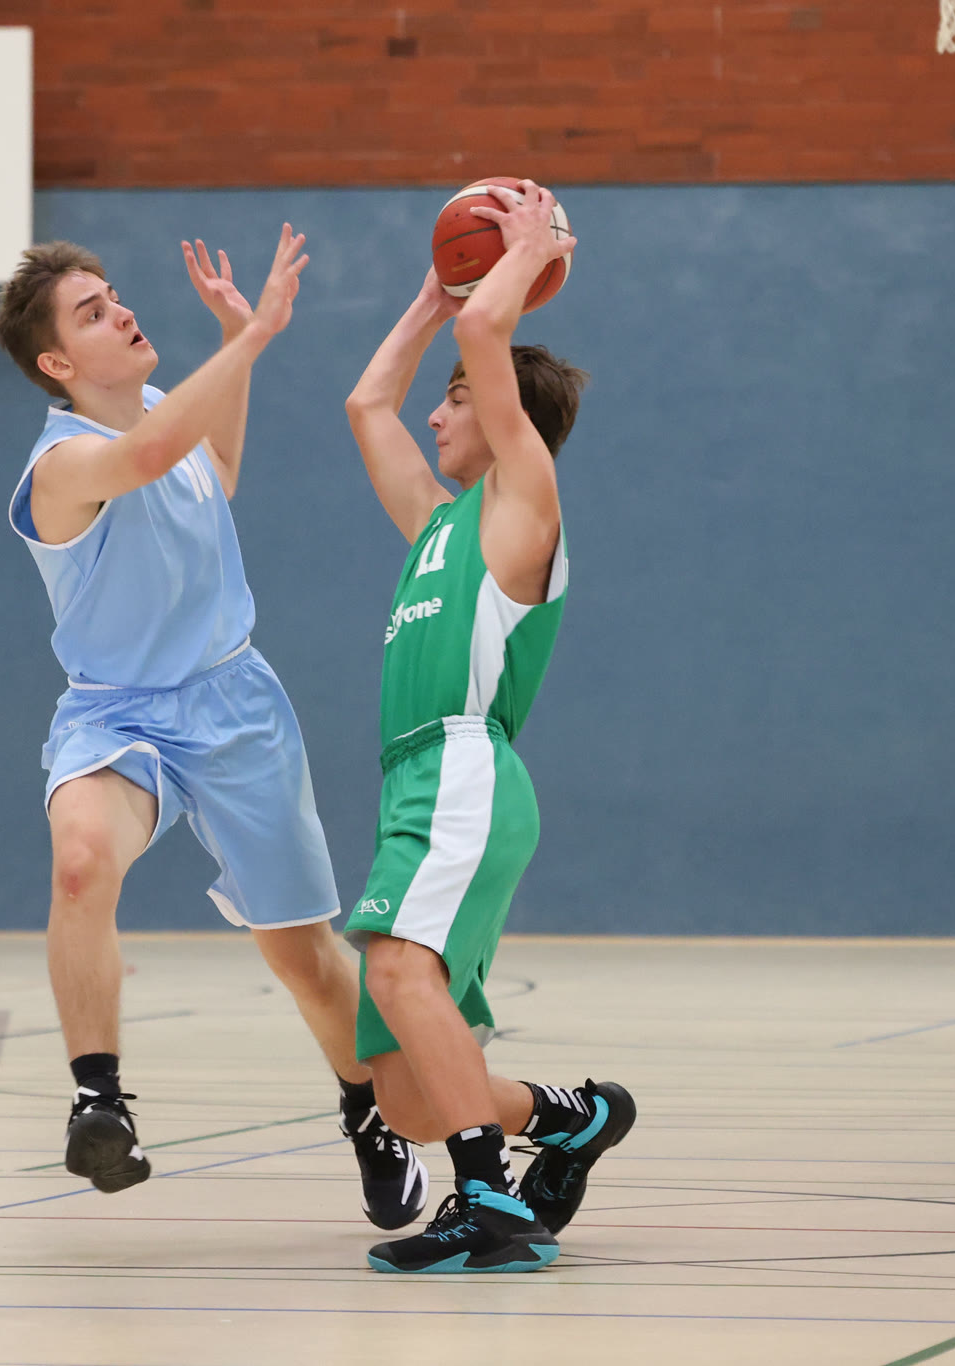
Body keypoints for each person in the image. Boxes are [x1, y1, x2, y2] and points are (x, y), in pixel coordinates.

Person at [0, 230, 429, 1230]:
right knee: (79, 861)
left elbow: (211, 467)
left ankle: (367, 1107)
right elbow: (145, 460)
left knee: (303, 956)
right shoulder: (61, 464)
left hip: (232, 705)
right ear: (55, 363)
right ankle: (98, 1098)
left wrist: (233, 338)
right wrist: (256, 336)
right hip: (116, 712)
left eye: (113, 295)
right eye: (91, 312)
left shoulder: (159, 408)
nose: (120, 312)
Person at [341, 181, 635, 1273]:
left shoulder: (525, 499)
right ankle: (571, 1115)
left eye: (456, 400)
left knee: (392, 967)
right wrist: (430, 300)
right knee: (406, 1094)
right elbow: (367, 407)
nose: (435, 413)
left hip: (462, 765)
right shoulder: (437, 522)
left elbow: (485, 335)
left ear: (505, 411)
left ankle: (487, 1198)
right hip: (416, 783)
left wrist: (524, 247)